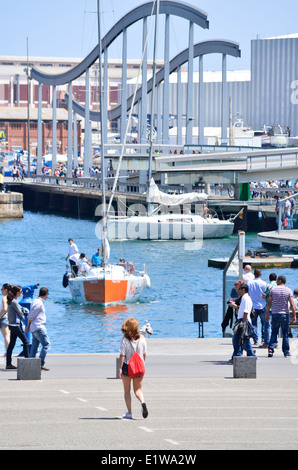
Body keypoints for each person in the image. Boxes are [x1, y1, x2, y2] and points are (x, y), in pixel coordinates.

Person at [119, 317, 148, 419]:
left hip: (127, 366)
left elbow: (122, 355)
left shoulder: (124, 340)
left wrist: (120, 368)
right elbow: (144, 354)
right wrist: (142, 363)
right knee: (138, 390)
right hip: (139, 366)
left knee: (127, 391)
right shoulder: (143, 339)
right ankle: (143, 402)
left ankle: (129, 413)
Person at [265, 275, 296, 358]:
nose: (276, 281)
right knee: (285, 333)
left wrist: (267, 313)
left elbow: (269, 303)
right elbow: (292, 304)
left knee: (274, 332)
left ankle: (271, 349)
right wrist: (294, 315)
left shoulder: (273, 290)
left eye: (277, 280)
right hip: (285, 314)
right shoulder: (288, 290)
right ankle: (286, 352)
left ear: (280, 281)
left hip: (275, 313)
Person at [26, 287, 51, 371]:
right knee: (46, 345)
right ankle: (40, 364)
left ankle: (30, 365)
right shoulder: (39, 303)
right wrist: (28, 324)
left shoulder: (35, 300)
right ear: (46, 294)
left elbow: (31, 315)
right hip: (39, 327)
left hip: (34, 327)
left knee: (34, 346)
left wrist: (28, 326)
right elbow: (31, 315)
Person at [230, 284, 257, 360]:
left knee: (238, 339)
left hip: (243, 320)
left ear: (243, 289)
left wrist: (243, 322)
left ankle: (239, 356)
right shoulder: (244, 298)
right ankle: (243, 355)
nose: (237, 291)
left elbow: (246, 311)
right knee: (242, 340)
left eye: (239, 289)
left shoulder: (246, 298)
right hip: (242, 320)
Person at [6, 285, 30, 369]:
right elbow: (20, 315)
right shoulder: (14, 302)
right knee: (26, 342)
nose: (22, 293)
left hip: (11, 325)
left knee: (12, 344)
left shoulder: (11, 301)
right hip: (15, 325)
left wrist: (20, 311)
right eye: (20, 291)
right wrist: (23, 312)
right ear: (17, 292)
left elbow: (18, 312)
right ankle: (28, 363)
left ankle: (8, 364)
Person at [247, 268, 269, 347]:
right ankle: (263, 339)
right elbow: (266, 294)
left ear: (254, 274)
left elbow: (248, 294)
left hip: (252, 306)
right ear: (261, 274)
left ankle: (255, 340)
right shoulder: (264, 283)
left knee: (253, 324)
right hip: (262, 306)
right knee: (264, 323)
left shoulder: (249, 283)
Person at [261, 272, 277, 348]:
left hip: (269, 308)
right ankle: (275, 342)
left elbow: (263, 296)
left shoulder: (268, 286)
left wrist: (267, 298)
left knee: (267, 326)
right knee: (275, 326)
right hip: (277, 309)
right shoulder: (278, 286)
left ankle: (267, 342)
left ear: (269, 278)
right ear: (276, 279)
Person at [0, 283, 11, 353]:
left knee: (6, 336)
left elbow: (4, 309)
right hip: (8, 318)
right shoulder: (10, 298)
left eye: (2, 289)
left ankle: (8, 352)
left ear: (5, 290)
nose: (1, 291)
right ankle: (8, 352)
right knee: (7, 336)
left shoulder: (4, 298)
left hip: (3, 318)